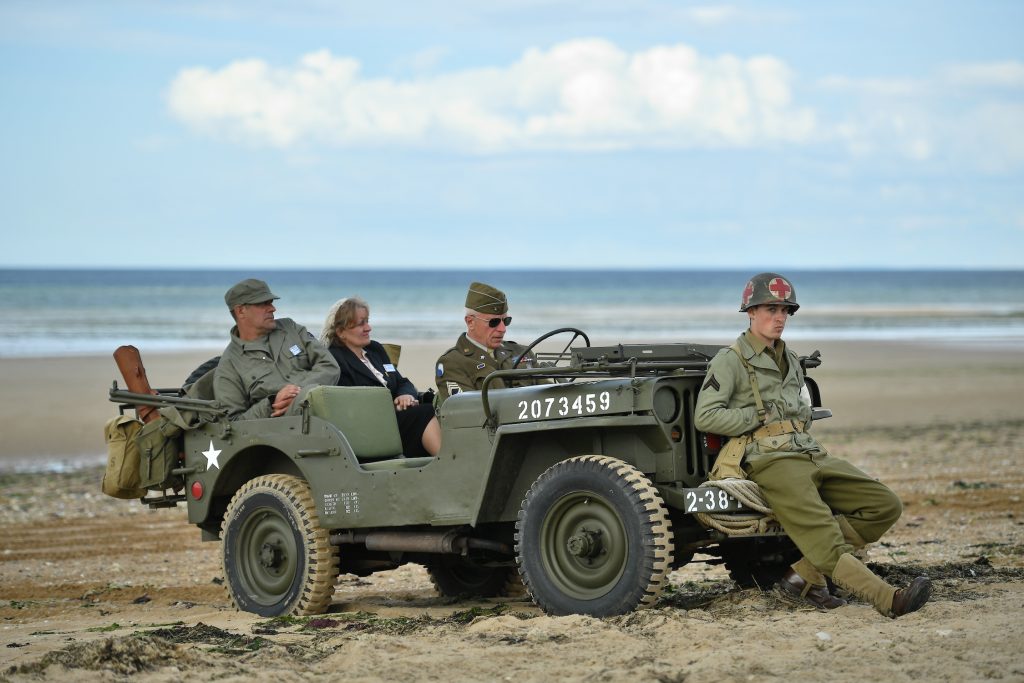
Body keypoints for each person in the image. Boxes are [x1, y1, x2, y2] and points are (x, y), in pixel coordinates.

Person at [694, 272, 931, 618]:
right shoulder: (730, 361)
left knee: (883, 504)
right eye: (771, 309)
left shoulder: (789, 359)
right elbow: (706, 415)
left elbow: (800, 408)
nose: (779, 317)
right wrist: (754, 419)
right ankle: (888, 600)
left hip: (808, 452)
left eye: (785, 310)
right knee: (824, 537)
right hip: (770, 460)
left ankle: (802, 576)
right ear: (750, 312)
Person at [320, 297, 441, 457]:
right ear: (341, 332)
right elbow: (351, 403)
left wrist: (405, 395)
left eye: (367, 321)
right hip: (369, 427)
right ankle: (450, 462)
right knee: (424, 413)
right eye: (360, 323)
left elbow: (402, 382)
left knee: (439, 409)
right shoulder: (335, 360)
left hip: (395, 420)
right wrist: (393, 404)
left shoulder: (375, 350)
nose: (368, 328)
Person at [214, 278, 340, 421]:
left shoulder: (291, 329)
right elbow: (232, 424)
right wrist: (272, 403)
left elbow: (329, 366)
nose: (273, 309)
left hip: (325, 409)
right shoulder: (230, 365)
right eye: (263, 304)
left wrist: (299, 393)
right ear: (241, 311)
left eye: (271, 303)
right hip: (284, 431)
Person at [434, 281, 544, 406]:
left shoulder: (522, 352)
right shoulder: (453, 363)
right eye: (494, 322)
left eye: (506, 321)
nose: (503, 329)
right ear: (471, 322)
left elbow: (550, 394)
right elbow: (467, 412)